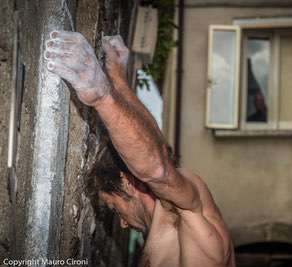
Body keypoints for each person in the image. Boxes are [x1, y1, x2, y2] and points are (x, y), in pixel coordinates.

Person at [44, 31, 236, 267]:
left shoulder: (187, 218)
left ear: (127, 182)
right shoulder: (171, 224)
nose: (123, 224)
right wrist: (118, 80)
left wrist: (101, 97)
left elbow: (158, 170)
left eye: (115, 208)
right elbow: (158, 150)